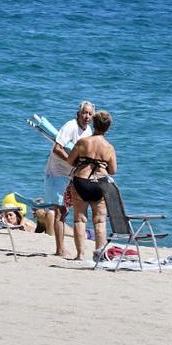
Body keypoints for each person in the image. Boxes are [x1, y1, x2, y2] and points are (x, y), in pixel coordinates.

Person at [41, 101, 94, 256]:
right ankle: (60, 249)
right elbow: (57, 148)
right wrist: (72, 160)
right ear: (78, 114)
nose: (87, 116)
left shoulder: (88, 131)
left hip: (71, 175)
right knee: (59, 211)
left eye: (90, 114)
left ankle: (64, 248)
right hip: (56, 173)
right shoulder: (70, 126)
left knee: (66, 212)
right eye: (84, 113)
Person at [66, 110, 116, 261]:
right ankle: (99, 255)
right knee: (100, 221)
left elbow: (69, 161)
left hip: (81, 181)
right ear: (108, 127)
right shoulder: (109, 147)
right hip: (99, 184)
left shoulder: (83, 142)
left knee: (79, 219)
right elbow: (113, 170)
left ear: (94, 124)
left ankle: (80, 255)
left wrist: (83, 162)